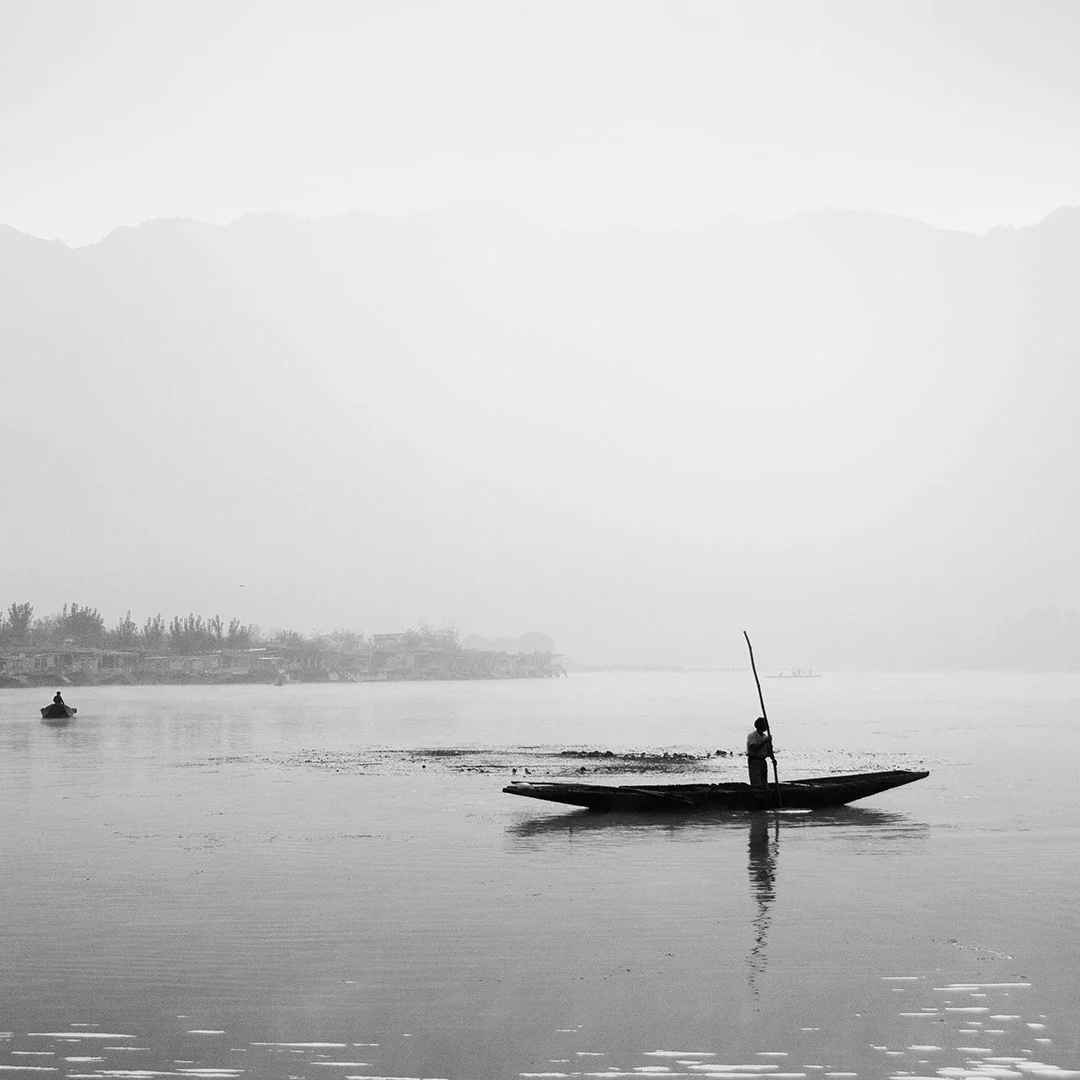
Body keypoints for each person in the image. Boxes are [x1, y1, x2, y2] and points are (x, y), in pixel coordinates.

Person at [746, 717, 774, 788]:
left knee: (764, 782)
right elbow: (754, 749)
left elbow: (769, 751)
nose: (767, 726)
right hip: (754, 761)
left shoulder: (765, 737)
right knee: (756, 782)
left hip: (762, 761)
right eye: (765, 724)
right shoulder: (752, 736)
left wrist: (773, 759)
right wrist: (765, 741)